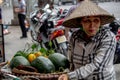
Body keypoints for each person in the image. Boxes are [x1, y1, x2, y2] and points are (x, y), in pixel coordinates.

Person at [58, 0, 116, 80]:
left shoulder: (108, 37)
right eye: (87, 21)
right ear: (81, 22)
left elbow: (97, 65)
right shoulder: (75, 37)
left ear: (100, 22)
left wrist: (70, 76)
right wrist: (67, 73)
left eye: (96, 20)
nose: (92, 25)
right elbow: (71, 62)